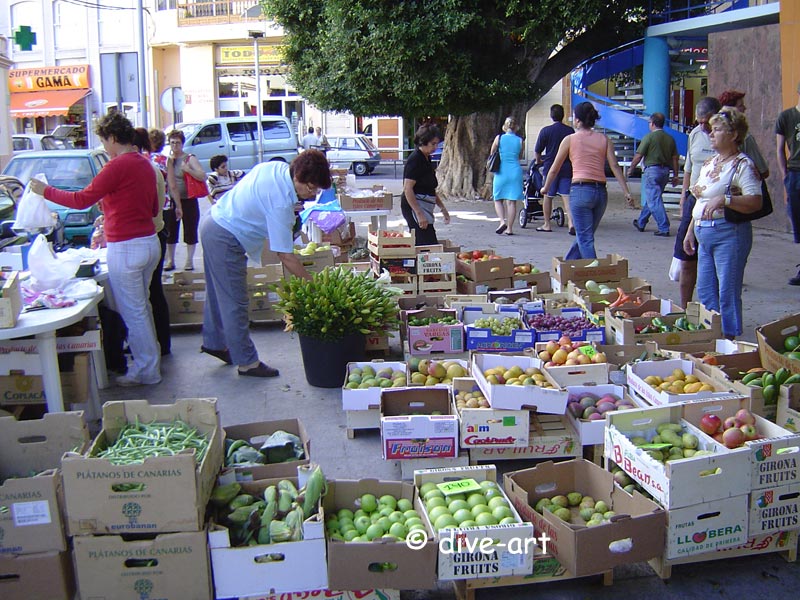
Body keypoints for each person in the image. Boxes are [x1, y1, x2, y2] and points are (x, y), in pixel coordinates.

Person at [30, 113, 161, 387]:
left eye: (103, 141)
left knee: (134, 312)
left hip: (126, 247)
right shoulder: (145, 164)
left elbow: (81, 200)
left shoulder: (117, 166)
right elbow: (151, 209)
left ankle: (147, 370)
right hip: (149, 243)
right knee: (141, 308)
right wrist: (112, 209)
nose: (104, 148)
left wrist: (46, 191)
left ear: (113, 138)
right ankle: (150, 363)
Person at [200, 149, 332, 377]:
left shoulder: (276, 168)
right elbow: (285, 255)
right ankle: (247, 362)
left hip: (214, 222)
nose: (312, 194)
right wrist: (313, 284)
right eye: (310, 187)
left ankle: (215, 343)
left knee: (217, 292)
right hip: (225, 236)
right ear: (298, 177)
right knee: (235, 301)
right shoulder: (281, 202)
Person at [682, 107, 762, 339]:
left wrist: (725, 199)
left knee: (727, 289)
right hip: (702, 232)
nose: (711, 134)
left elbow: (755, 201)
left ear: (734, 134)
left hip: (729, 233)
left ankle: (729, 338)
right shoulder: (709, 163)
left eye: (717, 130)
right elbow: (699, 200)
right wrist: (690, 231)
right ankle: (711, 335)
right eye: (711, 130)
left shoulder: (742, 165)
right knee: (706, 290)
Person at [541, 101, 632, 259]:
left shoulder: (570, 140)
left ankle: (596, 276)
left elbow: (554, 168)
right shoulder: (605, 140)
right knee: (584, 236)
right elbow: (615, 166)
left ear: (577, 120)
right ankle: (566, 270)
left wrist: (546, 187)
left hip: (580, 191)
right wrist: (626, 192)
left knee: (585, 239)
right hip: (601, 193)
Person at [675, 96, 722, 308]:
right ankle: (685, 308)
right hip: (695, 200)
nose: (703, 126)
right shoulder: (694, 135)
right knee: (686, 257)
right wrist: (684, 196)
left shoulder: (729, 137)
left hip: (718, 205)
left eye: (707, 122)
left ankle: (714, 313)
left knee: (712, 264)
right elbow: (688, 168)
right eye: (699, 121)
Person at [133, 127, 171, 356]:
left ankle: (158, 343)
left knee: (150, 293)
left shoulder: (146, 168)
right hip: (158, 230)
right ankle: (162, 342)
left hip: (151, 233)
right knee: (155, 290)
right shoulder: (152, 166)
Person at [628, 112, 679, 236]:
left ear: (653, 124)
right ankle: (641, 222)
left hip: (652, 171)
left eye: (649, 123)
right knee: (653, 198)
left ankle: (664, 227)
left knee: (654, 199)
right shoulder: (670, 138)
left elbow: (639, 155)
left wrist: (631, 168)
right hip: (665, 172)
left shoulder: (649, 137)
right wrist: (675, 175)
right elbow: (675, 158)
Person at [401, 124, 450, 245]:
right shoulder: (415, 159)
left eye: (437, 144)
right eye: (433, 144)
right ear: (423, 142)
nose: (435, 147)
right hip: (414, 206)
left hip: (425, 204)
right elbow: (408, 188)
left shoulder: (426, 158)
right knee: (426, 242)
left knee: (428, 241)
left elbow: (430, 188)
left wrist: (442, 208)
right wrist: (419, 213)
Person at [166, 129, 206, 271]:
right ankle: (170, 260)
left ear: (182, 144)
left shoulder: (189, 158)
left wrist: (188, 170)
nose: (175, 146)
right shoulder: (167, 160)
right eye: (172, 143)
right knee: (171, 231)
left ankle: (189, 261)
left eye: (178, 143)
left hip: (189, 199)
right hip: (172, 200)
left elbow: (202, 175)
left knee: (190, 229)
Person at [534, 104, 574, 233]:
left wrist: (539, 161)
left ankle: (547, 224)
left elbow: (538, 150)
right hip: (567, 166)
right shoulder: (570, 131)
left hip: (550, 166)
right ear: (563, 115)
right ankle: (571, 224)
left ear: (551, 116)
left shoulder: (545, 131)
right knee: (566, 196)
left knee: (548, 196)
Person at [775, 82, 800, 285]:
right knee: (797, 220)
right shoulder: (787, 117)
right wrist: (784, 176)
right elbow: (780, 148)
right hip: (795, 173)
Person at [489, 116, 524, 236]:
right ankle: (509, 228)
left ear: (505, 126)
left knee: (498, 198)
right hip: (515, 171)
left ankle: (501, 221)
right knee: (511, 202)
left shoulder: (499, 138)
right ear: (516, 127)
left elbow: (492, 153)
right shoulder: (520, 140)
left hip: (501, 171)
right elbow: (519, 156)